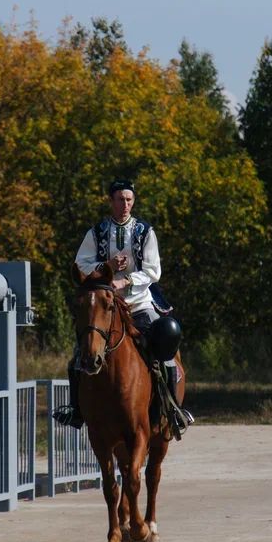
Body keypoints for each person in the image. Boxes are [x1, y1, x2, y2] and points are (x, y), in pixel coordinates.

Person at [54, 178, 194, 436]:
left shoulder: (144, 231)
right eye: (120, 199)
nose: (125, 204)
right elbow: (80, 264)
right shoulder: (96, 233)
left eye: (129, 200)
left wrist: (127, 279)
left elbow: (154, 271)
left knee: (166, 342)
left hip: (139, 302)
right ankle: (75, 410)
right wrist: (106, 266)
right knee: (78, 353)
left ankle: (174, 409)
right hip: (107, 304)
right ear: (111, 201)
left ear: (134, 201)